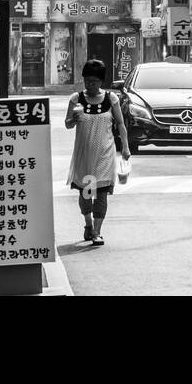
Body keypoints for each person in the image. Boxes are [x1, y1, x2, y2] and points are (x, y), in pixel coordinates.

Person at [66, 59, 129, 246]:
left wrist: (125, 147)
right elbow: (68, 124)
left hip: (105, 154)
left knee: (101, 193)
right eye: (87, 81)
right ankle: (88, 223)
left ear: (102, 81)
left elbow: (120, 124)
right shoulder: (76, 99)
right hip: (84, 155)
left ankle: (97, 231)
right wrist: (74, 119)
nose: (90, 85)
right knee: (86, 195)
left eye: (94, 81)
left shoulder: (112, 99)